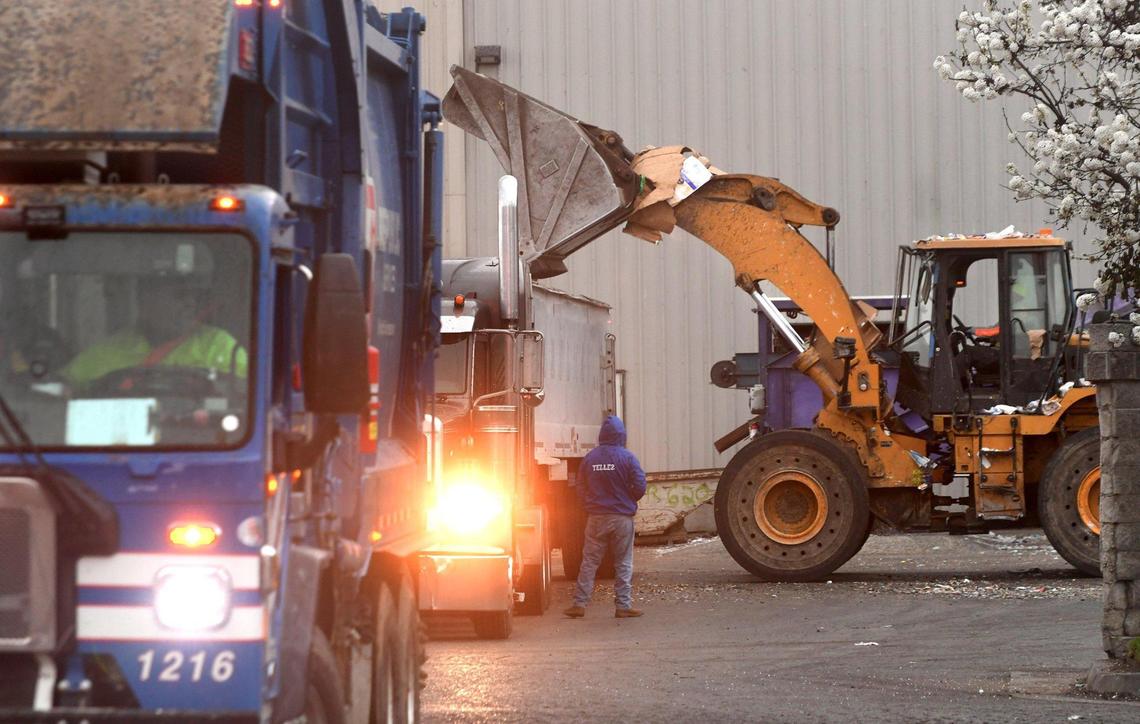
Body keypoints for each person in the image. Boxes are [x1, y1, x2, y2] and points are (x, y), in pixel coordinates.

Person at [61, 275, 247, 389]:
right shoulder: (107, 352)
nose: (190, 303)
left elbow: (248, 391)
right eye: (180, 295)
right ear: (146, 301)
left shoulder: (217, 345)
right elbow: (60, 389)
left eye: (193, 296)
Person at [564, 415, 647, 619]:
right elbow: (640, 485)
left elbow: (580, 485)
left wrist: (588, 503)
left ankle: (579, 604)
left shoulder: (590, 458)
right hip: (621, 517)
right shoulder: (627, 457)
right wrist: (629, 499)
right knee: (623, 562)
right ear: (621, 434)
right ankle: (623, 606)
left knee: (589, 561)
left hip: (596, 517)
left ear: (602, 434)